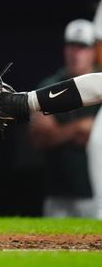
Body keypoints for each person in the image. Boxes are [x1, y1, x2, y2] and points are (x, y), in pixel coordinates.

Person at [29, 20, 99, 218]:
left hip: (94, 193)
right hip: (57, 191)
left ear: (94, 51)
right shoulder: (49, 86)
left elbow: (95, 137)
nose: (75, 53)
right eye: (71, 45)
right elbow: (39, 139)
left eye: (82, 47)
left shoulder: (100, 85)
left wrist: (58, 132)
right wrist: (79, 129)